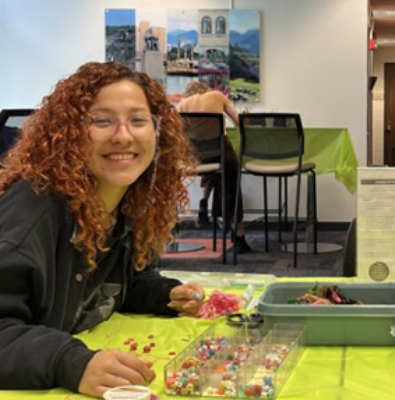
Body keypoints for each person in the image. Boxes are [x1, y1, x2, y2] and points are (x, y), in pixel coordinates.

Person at [0, 62, 207, 398]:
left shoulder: (122, 203)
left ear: (158, 133)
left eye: (138, 120)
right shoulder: (34, 210)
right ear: (68, 133)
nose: (123, 135)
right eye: (101, 120)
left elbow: (118, 282)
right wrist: (70, 362)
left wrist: (163, 294)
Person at [177, 81, 252, 254]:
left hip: (195, 157)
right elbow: (238, 120)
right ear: (206, 89)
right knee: (231, 176)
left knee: (215, 169)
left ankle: (206, 205)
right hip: (219, 154)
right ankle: (238, 234)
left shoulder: (183, 103)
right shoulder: (217, 96)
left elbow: (179, 132)